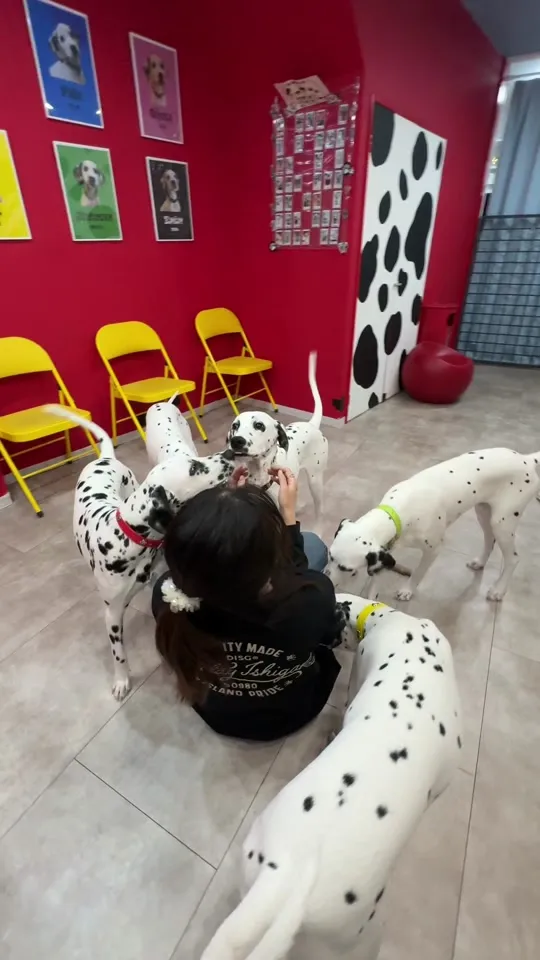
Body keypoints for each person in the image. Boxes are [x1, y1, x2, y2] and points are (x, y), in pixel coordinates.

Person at [152, 467, 342, 740]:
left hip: (216, 714)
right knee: (313, 545)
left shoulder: (166, 599)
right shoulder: (313, 598)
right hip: (291, 713)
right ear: (268, 567)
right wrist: (288, 517)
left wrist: (231, 514)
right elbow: (325, 629)